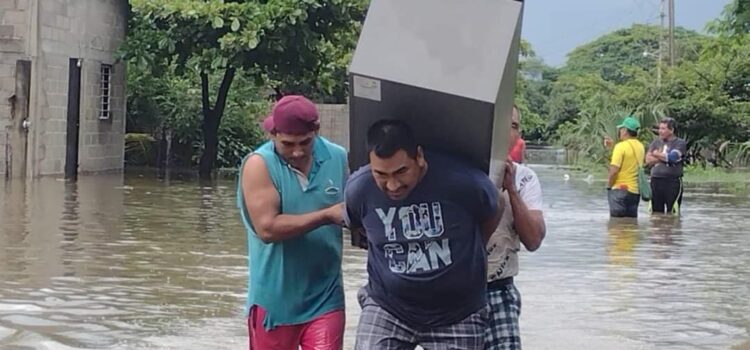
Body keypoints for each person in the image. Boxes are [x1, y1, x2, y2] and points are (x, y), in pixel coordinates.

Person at [345, 119, 504, 350]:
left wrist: (474, 247)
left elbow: (495, 207)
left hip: (458, 313)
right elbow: (357, 225)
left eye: (401, 172)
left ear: (419, 156)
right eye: (381, 174)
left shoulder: (465, 182)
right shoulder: (359, 189)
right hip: (388, 307)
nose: (392, 185)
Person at [237, 95, 348, 350]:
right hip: (274, 302)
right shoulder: (259, 165)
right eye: (288, 144)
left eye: (305, 142)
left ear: (316, 130)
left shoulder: (338, 157)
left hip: (325, 296)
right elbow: (267, 228)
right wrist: (326, 215)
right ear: (273, 134)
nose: (297, 151)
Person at [485, 109, 546, 350]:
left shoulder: (525, 178)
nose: (507, 132)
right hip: (454, 290)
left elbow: (533, 240)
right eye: (501, 124)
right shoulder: (457, 173)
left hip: (498, 289)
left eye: (513, 126)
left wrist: (510, 189)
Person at [645, 117, 687, 215]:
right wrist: (663, 158)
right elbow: (648, 160)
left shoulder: (680, 143)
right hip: (655, 181)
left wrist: (656, 154)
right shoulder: (656, 142)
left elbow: (673, 158)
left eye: (663, 129)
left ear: (671, 130)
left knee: (672, 212)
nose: (660, 131)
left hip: (672, 182)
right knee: (655, 213)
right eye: (660, 128)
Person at [606, 116, 645, 218]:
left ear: (625, 131)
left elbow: (614, 171)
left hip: (619, 190)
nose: (620, 131)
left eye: (621, 129)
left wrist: (609, 186)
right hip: (634, 193)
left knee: (616, 226)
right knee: (630, 226)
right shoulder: (641, 147)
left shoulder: (620, 147)